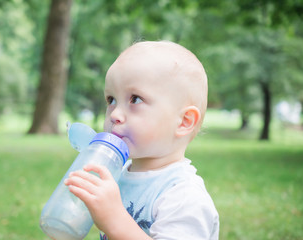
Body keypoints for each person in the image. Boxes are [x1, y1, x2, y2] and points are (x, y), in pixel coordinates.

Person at [64, 41, 219, 239]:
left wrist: (114, 220)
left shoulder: (184, 196)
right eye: (111, 100)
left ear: (183, 122)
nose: (115, 115)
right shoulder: (118, 173)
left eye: (135, 99)